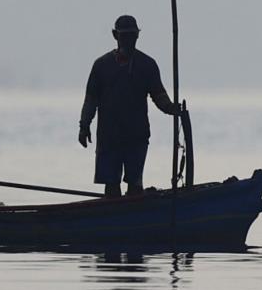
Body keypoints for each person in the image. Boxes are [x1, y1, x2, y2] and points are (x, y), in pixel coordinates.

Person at [77, 14, 186, 196]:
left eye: (132, 36)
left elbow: (159, 95)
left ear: (137, 36)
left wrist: (172, 109)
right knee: (111, 187)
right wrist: (84, 126)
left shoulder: (147, 65)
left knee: (135, 186)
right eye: (124, 35)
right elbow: (91, 100)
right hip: (109, 136)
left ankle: (134, 217)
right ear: (115, 35)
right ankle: (112, 220)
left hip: (136, 135)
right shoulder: (101, 66)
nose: (129, 40)